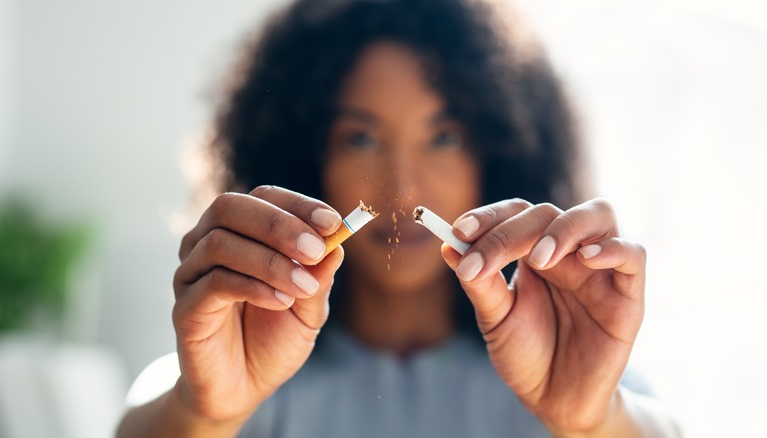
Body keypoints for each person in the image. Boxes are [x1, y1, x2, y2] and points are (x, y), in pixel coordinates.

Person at [118, 0, 679, 436]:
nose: (402, 188)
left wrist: (590, 423)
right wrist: (204, 417)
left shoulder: (573, 364)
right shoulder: (236, 370)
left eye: (444, 136)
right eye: (360, 138)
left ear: (499, 155)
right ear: (310, 159)